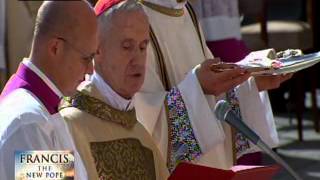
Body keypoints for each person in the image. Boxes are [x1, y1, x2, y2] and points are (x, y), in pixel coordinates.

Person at [133, 0, 292, 172]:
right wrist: (198, 87)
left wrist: (251, 82)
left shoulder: (185, 10)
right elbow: (143, 123)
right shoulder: (128, 18)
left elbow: (213, 95)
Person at [59, 0, 169, 179]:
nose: (138, 59)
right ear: (97, 48)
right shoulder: (65, 122)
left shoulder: (142, 135)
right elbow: (28, 173)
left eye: (143, 47)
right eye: (127, 47)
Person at [0, 1, 98, 179]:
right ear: (56, 48)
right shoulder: (29, 122)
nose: (91, 70)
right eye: (86, 57)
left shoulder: (40, 111)